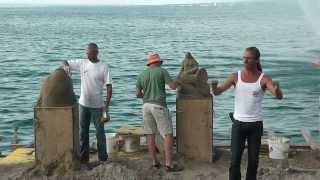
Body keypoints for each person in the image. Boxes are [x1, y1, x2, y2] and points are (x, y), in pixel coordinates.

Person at [212, 47, 283, 180]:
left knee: (253, 161)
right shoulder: (235, 76)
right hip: (238, 124)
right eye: (244, 57)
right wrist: (214, 87)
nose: (244, 60)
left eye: (248, 58)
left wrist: (278, 90)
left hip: (255, 125)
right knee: (234, 161)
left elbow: (277, 96)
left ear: (256, 60)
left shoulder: (264, 78)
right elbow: (218, 91)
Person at [61, 43, 112, 167]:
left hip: (98, 106)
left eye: (89, 53)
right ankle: (84, 159)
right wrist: (66, 66)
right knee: (83, 133)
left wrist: (106, 105)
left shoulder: (104, 67)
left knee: (100, 133)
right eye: (86, 53)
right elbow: (64, 61)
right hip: (83, 104)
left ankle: (103, 159)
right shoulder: (82, 63)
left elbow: (109, 87)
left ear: (96, 52)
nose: (87, 55)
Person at [136, 53, 183, 172]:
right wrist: (179, 80)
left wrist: (146, 96)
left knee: (150, 134)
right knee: (167, 134)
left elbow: (137, 94)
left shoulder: (142, 74)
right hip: (159, 106)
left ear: (149, 63)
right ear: (158, 62)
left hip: (145, 106)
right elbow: (172, 86)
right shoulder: (162, 71)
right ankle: (169, 164)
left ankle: (154, 162)